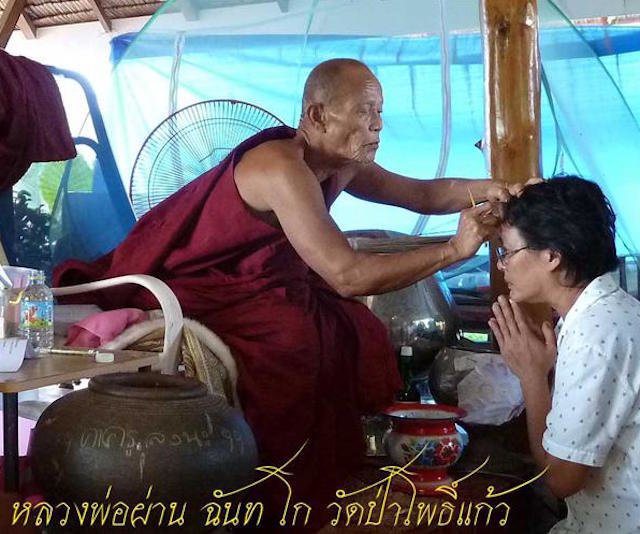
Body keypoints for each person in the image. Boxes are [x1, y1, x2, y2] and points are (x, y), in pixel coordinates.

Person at [55, 58, 513, 522]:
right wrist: (454, 250)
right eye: (364, 111)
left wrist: (497, 189)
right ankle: (268, 494)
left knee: (356, 330)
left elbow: (421, 194)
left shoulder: (341, 161)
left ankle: (320, 481)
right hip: (205, 284)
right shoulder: (280, 166)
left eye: (379, 111)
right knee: (293, 339)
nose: (377, 124)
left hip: (267, 283)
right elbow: (346, 275)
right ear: (317, 116)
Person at [488, 176, 640, 533]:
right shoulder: (606, 312)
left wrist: (532, 378)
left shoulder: (594, 335)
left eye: (507, 252)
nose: (501, 265)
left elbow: (560, 479)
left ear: (552, 256)